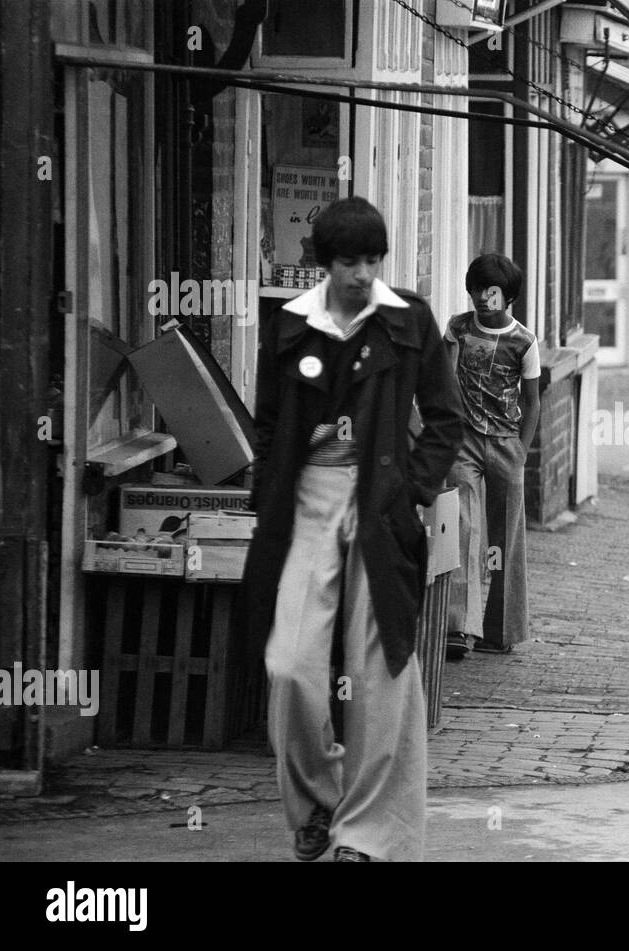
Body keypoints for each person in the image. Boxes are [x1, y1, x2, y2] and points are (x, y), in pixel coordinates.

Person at [242, 196, 465, 862]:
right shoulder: (287, 327)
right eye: (350, 261)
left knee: (384, 671)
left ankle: (370, 836)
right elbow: (268, 420)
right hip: (308, 498)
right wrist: (272, 479)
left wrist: (413, 489)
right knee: (291, 664)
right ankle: (315, 806)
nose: (364, 273)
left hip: (381, 502)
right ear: (323, 262)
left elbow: (445, 417)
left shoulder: (409, 321)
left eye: (373, 259)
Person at [443, 253, 540, 658]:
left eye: (492, 291)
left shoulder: (525, 340)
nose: (483, 298)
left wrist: (520, 450)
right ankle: (457, 629)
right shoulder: (458, 328)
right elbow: (442, 377)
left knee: (506, 536)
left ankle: (500, 632)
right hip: (463, 441)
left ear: (508, 296)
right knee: (462, 528)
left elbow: (533, 401)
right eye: (477, 289)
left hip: (505, 441)